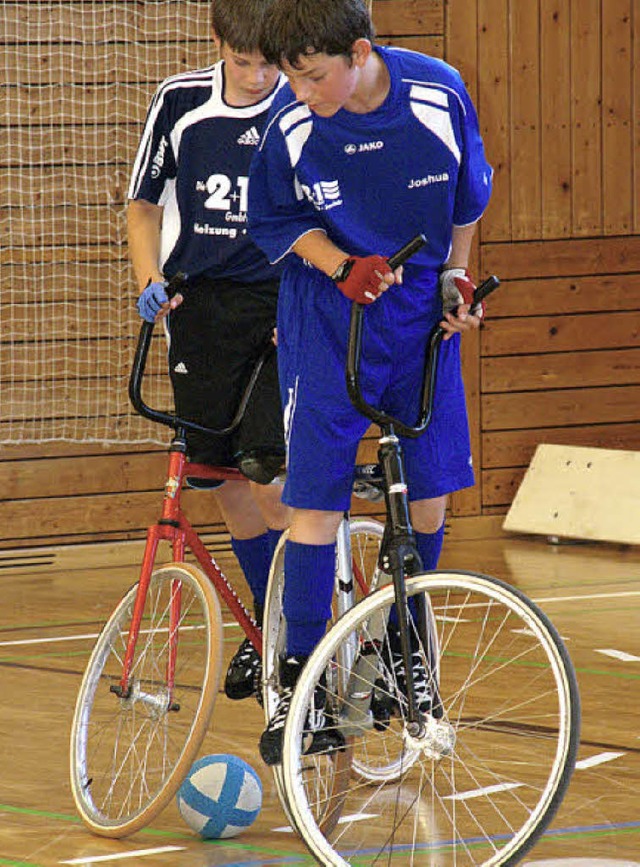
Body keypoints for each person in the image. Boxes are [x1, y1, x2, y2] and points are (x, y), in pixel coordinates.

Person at [247, 0, 493, 764]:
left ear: (360, 53)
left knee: (428, 491)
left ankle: (403, 652)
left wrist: (455, 278)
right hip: (329, 308)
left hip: (417, 306)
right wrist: (339, 266)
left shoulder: (439, 93)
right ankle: (300, 683)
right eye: (290, 79)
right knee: (315, 497)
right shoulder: (291, 125)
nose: (300, 93)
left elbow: (466, 203)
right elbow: (277, 222)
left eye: (314, 77)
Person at [127, 0, 289, 703]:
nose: (257, 78)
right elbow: (142, 206)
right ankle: (270, 618)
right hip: (201, 308)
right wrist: (150, 280)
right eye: (243, 62)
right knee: (222, 478)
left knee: (271, 473)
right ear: (217, 42)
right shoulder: (181, 101)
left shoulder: (304, 104)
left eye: (268, 63)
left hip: (283, 306)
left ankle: (305, 620)